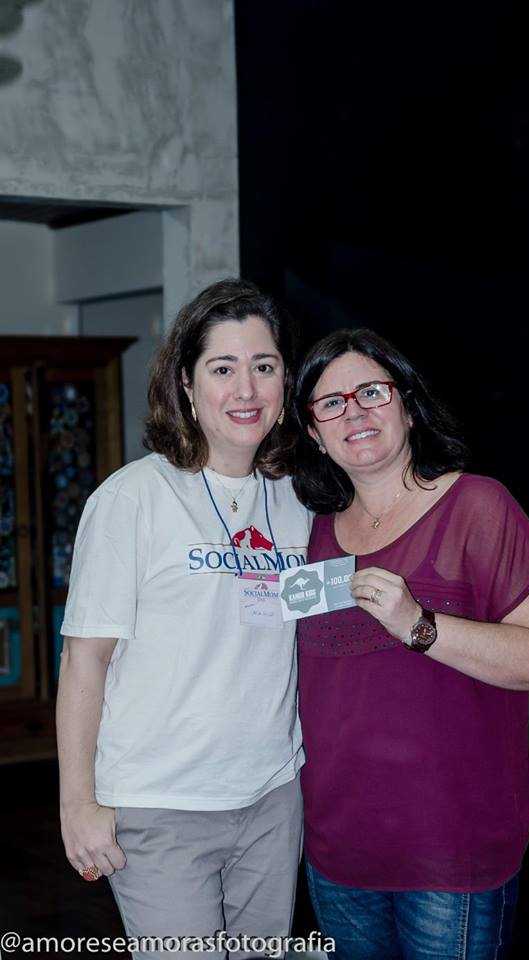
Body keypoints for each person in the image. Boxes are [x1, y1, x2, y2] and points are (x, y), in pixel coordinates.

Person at [291, 328, 529, 960]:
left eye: (371, 392)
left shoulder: (478, 506)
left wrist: (420, 625)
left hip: (451, 854)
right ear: (313, 432)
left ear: (409, 405)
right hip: (337, 853)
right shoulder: (306, 535)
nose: (354, 412)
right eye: (331, 403)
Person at [56, 279, 312, 958]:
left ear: (286, 380)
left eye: (264, 366)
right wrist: (77, 803)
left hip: (271, 798)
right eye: (222, 369)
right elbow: (84, 659)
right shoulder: (133, 499)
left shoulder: (299, 500)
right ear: (187, 384)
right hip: (161, 804)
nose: (246, 389)